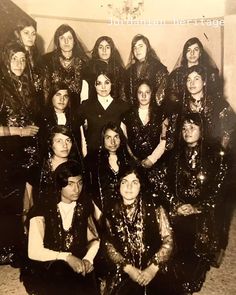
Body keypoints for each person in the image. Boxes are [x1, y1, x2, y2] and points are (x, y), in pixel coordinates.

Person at [165, 113, 228, 294]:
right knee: (172, 256)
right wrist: (175, 203)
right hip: (179, 211)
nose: (187, 132)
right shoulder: (175, 155)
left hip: (203, 213)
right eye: (184, 128)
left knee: (194, 267)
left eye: (192, 127)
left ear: (202, 130)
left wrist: (197, 207)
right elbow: (158, 178)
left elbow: (219, 193)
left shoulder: (216, 158)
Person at [23, 160, 100, 295]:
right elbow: (34, 251)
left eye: (80, 183)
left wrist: (88, 259)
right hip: (48, 263)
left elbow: (94, 240)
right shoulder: (42, 208)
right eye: (70, 184)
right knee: (61, 272)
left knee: (89, 276)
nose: (76, 189)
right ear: (60, 185)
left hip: (77, 260)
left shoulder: (84, 206)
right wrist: (66, 257)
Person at [104, 165, 173, 295]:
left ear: (141, 186)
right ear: (118, 185)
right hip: (124, 268)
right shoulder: (111, 210)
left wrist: (153, 268)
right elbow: (109, 245)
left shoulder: (154, 208)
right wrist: (128, 268)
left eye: (134, 182)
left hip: (154, 265)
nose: (129, 187)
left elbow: (168, 240)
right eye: (124, 182)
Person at [0, 42, 40, 264]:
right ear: (6, 60)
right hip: (6, 153)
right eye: (14, 58)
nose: (19, 63)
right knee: (10, 202)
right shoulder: (1, 85)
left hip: (29, 152)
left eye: (22, 59)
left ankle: (25, 246)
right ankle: (8, 249)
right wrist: (21, 131)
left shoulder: (27, 85)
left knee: (28, 201)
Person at [121, 80, 174, 181]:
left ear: (152, 93)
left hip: (156, 164)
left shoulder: (161, 115)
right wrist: (134, 159)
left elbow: (164, 140)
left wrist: (152, 159)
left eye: (147, 92)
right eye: (140, 92)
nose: (144, 96)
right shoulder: (126, 116)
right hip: (133, 165)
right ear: (136, 94)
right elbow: (125, 140)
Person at [26, 125, 83, 207]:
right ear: (50, 144)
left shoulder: (77, 167)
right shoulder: (39, 169)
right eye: (59, 141)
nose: (65, 145)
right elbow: (28, 198)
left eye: (68, 140)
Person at [78, 71, 129, 155]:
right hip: (93, 155)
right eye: (99, 83)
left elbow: (126, 135)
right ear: (94, 85)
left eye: (107, 83)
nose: (103, 87)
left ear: (111, 84)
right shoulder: (86, 105)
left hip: (116, 155)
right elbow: (80, 134)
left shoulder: (122, 106)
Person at [166, 37, 222, 113]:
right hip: (181, 112)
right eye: (188, 50)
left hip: (205, 111)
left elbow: (215, 96)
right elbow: (171, 97)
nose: (192, 53)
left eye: (196, 50)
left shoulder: (209, 73)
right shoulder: (176, 74)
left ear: (200, 53)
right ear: (184, 54)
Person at [41, 24, 89, 111]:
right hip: (52, 111)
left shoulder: (84, 62)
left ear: (74, 41)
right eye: (62, 38)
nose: (66, 42)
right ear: (57, 41)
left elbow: (87, 93)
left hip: (76, 111)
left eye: (69, 38)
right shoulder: (47, 60)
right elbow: (45, 90)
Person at [89, 121, 131, 212]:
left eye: (116, 137)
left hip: (126, 210)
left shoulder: (128, 160)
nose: (113, 142)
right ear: (102, 139)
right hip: (101, 212)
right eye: (108, 138)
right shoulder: (93, 161)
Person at [39, 82, 82, 158]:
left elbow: (77, 146)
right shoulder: (42, 119)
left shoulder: (74, 119)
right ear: (51, 97)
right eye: (58, 95)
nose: (62, 99)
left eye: (65, 96)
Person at [125, 34, 168, 106]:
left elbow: (161, 95)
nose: (137, 50)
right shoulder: (129, 70)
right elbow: (125, 94)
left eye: (140, 46)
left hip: (153, 109)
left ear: (147, 48)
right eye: (134, 48)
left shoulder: (158, 68)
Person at [84, 36, 126, 101]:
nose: (104, 50)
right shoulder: (89, 68)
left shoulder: (119, 69)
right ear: (97, 50)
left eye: (107, 47)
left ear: (111, 50)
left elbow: (122, 94)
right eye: (101, 47)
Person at [12, 18, 42, 93]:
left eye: (33, 34)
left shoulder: (36, 56)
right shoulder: (12, 54)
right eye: (26, 33)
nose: (30, 37)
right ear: (18, 34)